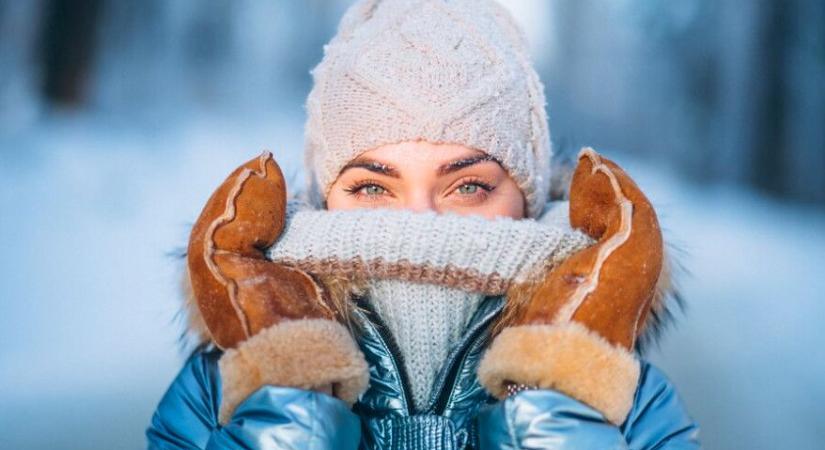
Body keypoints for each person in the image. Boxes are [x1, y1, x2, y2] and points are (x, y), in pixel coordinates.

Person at [146, 0, 701, 448]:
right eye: (372, 187)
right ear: (325, 195)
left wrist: (564, 407)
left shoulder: (620, 398)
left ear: (527, 199)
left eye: (468, 186)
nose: (418, 224)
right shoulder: (222, 387)